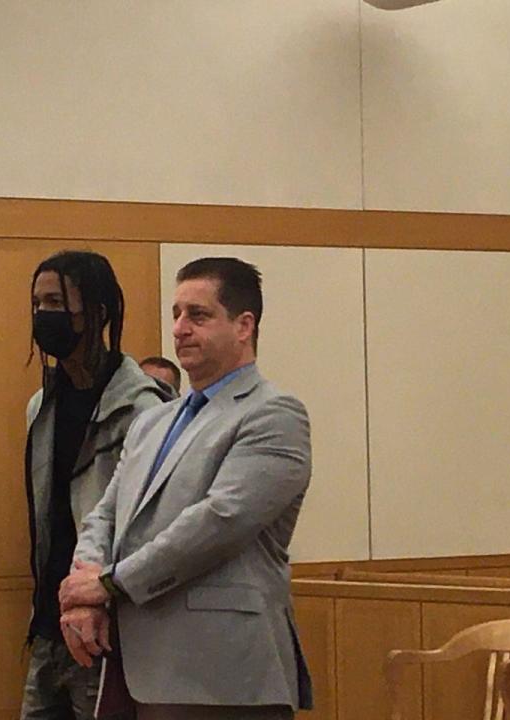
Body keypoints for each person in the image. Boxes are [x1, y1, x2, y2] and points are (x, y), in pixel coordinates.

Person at [59, 257, 314, 720]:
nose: (179, 328)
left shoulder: (274, 414)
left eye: (198, 315)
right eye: (176, 314)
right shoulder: (152, 421)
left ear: (244, 326)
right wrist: (85, 587)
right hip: (134, 662)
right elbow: (105, 512)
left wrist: (110, 585)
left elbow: (219, 523)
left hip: (221, 673)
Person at [21, 250, 171, 720]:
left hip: (108, 630)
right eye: (38, 303)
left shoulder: (143, 410)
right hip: (50, 625)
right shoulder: (40, 407)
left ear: (98, 313)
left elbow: (146, 524)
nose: (44, 315)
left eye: (57, 303)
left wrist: (104, 595)